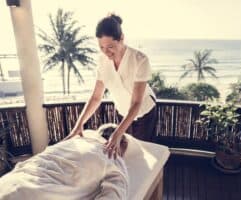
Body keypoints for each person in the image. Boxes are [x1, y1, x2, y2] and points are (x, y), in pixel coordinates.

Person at [64, 14, 157, 159]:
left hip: (144, 112)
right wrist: (79, 125)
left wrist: (117, 133)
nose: (106, 52)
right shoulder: (102, 62)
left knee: (142, 153)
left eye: (110, 47)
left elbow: (136, 102)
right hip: (123, 111)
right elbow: (96, 97)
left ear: (122, 38)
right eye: (101, 47)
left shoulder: (140, 60)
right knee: (125, 152)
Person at [0, 124, 129, 200]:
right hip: (34, 195)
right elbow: (114, 194)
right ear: (121, 144)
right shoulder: (113, 157)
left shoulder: (70, 142)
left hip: (8, 183)